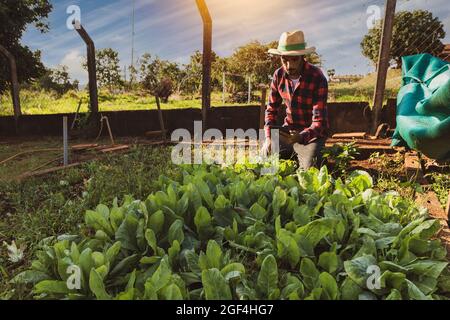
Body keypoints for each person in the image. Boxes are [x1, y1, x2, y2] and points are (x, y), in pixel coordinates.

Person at [263, 30, 329, 170]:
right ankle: (291, 153)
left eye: (294, 60)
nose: (289, 66)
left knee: (310, 170)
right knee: (265, 158)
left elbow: (319, 122)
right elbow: (271, 110)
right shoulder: (278, 75)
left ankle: (304, 156)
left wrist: (301, 136)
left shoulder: (317, 77)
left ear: (303, 57)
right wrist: (269, 137)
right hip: (288, 132)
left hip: (312, 136)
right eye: (285, 60)